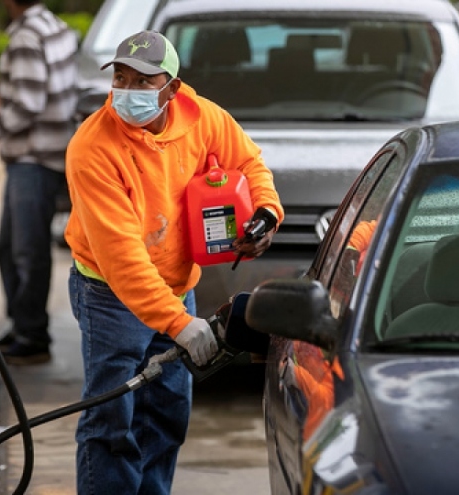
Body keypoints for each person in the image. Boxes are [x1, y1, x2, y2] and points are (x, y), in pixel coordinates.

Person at [64, 30, 284, 494]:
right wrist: (178, 322)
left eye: (144, 81)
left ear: (172, 88)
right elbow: (121, 257)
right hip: (109, 295)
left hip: (176, 283)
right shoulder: (93, 147)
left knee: (165, 415)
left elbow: (250, 164)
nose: (128, 91)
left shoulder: (202, 118)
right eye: (121, 78)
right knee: (111, 421)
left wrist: (266, 213)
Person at [0, 0, 78, 365]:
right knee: (12, 249)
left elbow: (26, 106)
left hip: (33, 159)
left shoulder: (26, 37)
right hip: (49, 153)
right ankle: (23, 326)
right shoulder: (56, 26)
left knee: (26, 251)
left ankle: (32, 335)